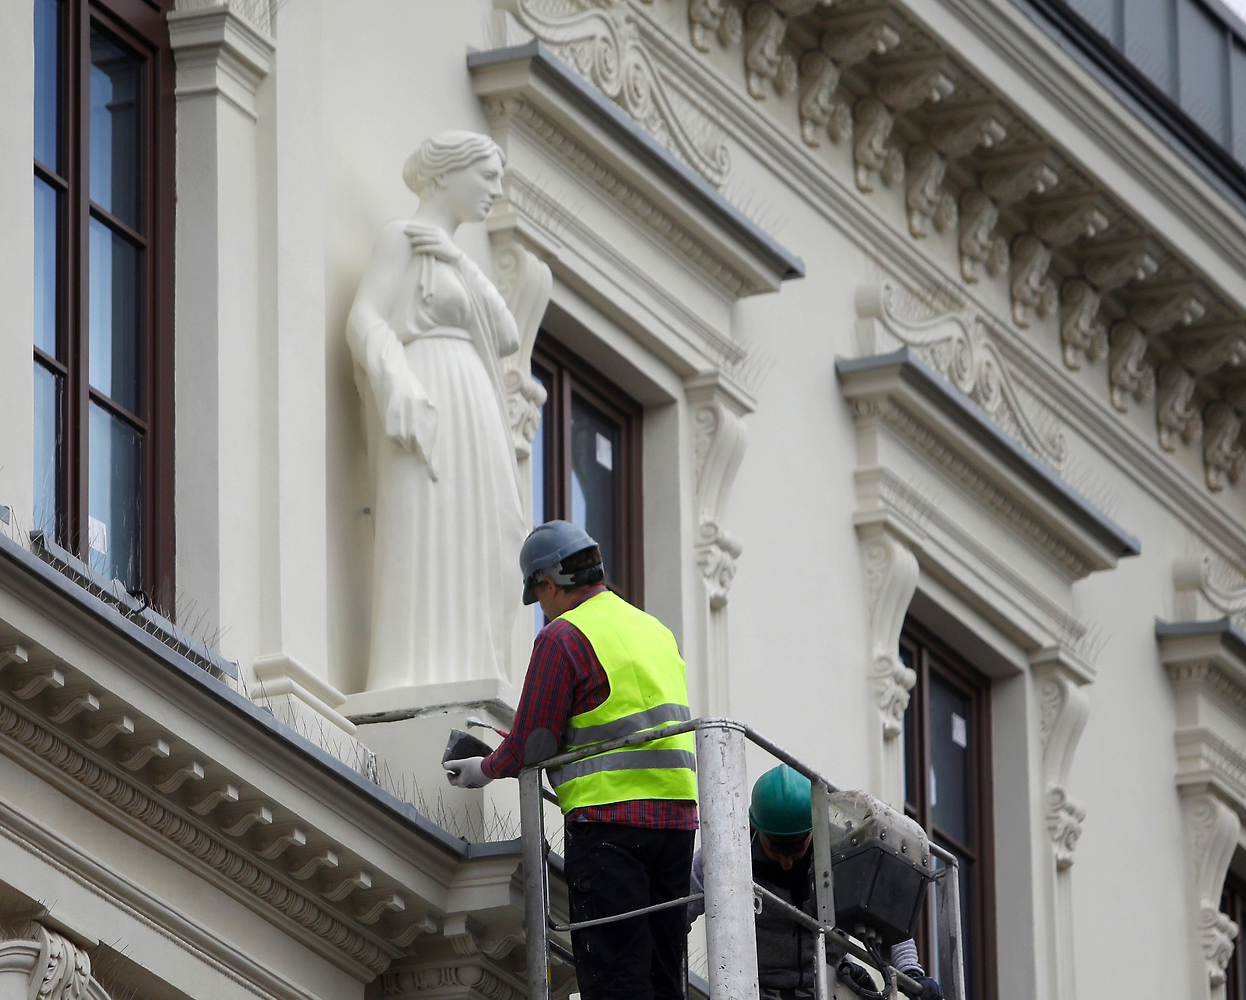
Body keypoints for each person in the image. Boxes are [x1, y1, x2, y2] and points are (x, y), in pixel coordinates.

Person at [445, 520, 698, 1000]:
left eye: (539, 596)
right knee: (664, 975)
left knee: (615, 977)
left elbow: (532, 745)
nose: (542, 609)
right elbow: (616, 721)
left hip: (613, 826)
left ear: (548, 582)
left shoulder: (563, 637)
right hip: (676, 822)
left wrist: (483, 769)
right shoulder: (653, 630)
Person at [345, 130, 530, 691]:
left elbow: (505, 334)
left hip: (471, 403)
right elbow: (363, 318)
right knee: (425, 525)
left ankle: (475, 669)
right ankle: (411, 674)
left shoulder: (449, 256)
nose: (495, 191)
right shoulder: (400, 240)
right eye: (487, 176)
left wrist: (456, 259)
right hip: (427, 392)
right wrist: (395, 381)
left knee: (491, 529)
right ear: (448, 174)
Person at [687, 765, 944, 1000]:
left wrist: (911, 972)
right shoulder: (726, 854)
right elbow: (678, 909)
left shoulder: (844, 850)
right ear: (757, 829)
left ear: (813, 829)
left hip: (830, 982)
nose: (786, 862)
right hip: (754, 987)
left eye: (796, 847)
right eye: (775, 848)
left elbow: (887, 920)